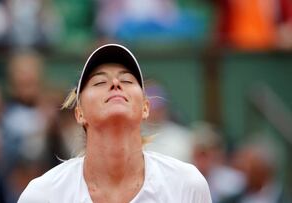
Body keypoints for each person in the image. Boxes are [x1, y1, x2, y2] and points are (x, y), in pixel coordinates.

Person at [18, 44, 212, 203]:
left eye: (127, 80)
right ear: (80, 113)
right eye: (99, 82)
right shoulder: (42, 195)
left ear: (145, 107)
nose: (115, 84)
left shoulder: (187, 185)